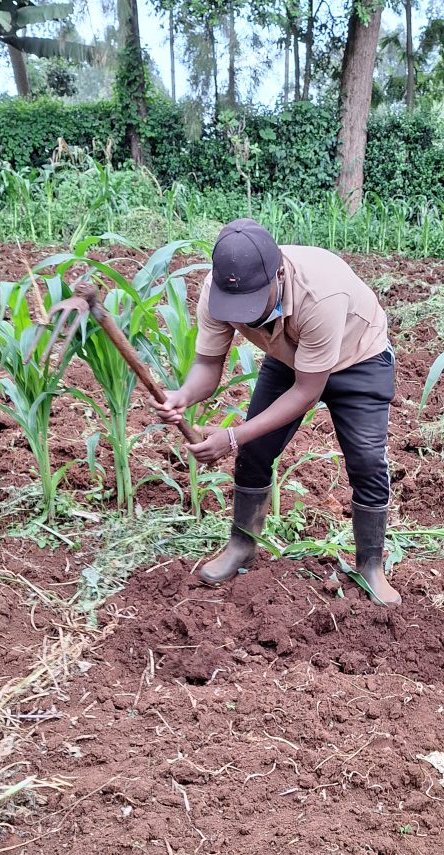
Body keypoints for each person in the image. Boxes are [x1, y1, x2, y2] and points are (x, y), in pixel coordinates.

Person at [153, 218, 400, 607]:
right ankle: (242, 545)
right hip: (290, 355)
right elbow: (207, 366)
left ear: (279, 274)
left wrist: (232, 436)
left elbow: (306, 392)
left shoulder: (321, 293)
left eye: (252, 303)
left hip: (358, 358)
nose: (244, 316)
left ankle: (371, 565)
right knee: (256, 450)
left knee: (367, 461)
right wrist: (183, 395)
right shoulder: (218, 291)